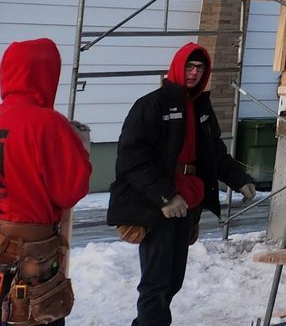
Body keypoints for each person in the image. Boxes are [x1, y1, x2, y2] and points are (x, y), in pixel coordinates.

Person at [107, 44, 255, 326]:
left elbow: (214, 152)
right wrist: (165, 196)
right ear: (177, 67)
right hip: (158, 207)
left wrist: (240, 180)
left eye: (200, 68)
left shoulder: (200, 107)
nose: (194, 73)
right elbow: (132, 159)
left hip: (188, 203)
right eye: (189, 66)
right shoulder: (151, 105)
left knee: (173, 278)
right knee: (156, 280)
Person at [0, 37, 91, 326]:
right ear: (47, 74)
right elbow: (70, 191)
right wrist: (76, 149)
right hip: (27, 261)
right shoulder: (49, 123)